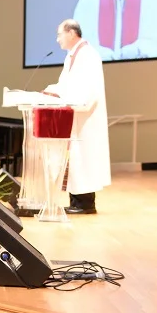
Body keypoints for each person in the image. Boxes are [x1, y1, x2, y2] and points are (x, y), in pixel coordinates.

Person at [44, 20, 111, 214]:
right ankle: (76, 201)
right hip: (74, 115)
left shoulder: (88, 55)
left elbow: (87, 89)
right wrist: (51, 91)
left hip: (85, 117)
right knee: (76, 159)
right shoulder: (73, 56)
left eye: (59, 35)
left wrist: (62, 96)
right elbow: (65, 84)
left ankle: (85, 204)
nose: (57, 40)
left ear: (71, 33)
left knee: (84, 159)